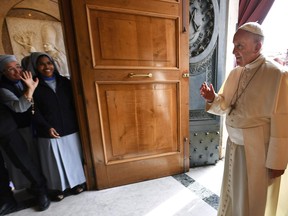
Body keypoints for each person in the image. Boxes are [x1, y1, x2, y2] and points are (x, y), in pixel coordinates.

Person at [200, 22, 288, 216]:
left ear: (258, 47)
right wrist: (212, 99)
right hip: (234, 146)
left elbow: (282, 122)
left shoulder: (277, 75)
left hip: (259, 151)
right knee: (232, 193)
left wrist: (277, 161)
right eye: (234, 45)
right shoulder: (236, 73)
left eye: (240, 46)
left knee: (252, 200)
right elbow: (226, 104)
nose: (234, 51)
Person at [30, 52, 86, 201]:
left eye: (49, 63)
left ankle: (77, 183)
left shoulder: (65, 82)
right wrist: (46, 127)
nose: (46, 67)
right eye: (41, 64)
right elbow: (33, 111)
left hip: (69, 127)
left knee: (73, 158)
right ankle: (56, 189)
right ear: (35, 67)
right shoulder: (33, 85)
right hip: (48, 131)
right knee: (54, 163)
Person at [0, 55, 50, 213]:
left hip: (35, 125)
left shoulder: (31, 77)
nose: (17, 71)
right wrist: (30, 89)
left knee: (35, 159)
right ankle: (39, 190)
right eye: (11, 69)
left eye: (18, 67)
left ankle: (44, 188)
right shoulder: (3, 88)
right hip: (15, 128)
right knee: (24, 162)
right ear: (3, 73)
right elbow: (19, 107)